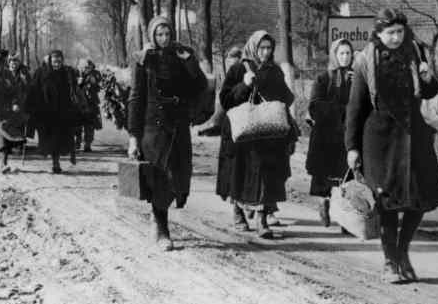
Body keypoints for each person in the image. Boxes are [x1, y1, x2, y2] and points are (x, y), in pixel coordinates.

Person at [344, 9, 438, 283]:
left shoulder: (414, 52)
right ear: (378, 33)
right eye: (390, 32)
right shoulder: (365, 60)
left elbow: (429, 92)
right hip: (379, 139)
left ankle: (402, 253)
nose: (396, 37)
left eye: (400, 31)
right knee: (387, 204)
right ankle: (390, 262)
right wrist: (351, 147)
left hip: (414, 135)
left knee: (419, 200)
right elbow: (356, 106)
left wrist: (427, 78)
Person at [127, 16, 207, 251]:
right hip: (153, 125)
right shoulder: (143, 60)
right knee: (160, 176)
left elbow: (199, 86)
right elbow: (135, 98)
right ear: (152, 36)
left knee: (180, 176)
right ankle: (161, 226)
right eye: (159, 34)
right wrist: (133, 136)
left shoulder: (181, 56)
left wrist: (191, 61)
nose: (164, 39)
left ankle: (159, 211)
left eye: (167, 34)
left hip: (178, 124)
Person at [216, 30, 296, 239]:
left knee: (265, 175)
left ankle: (261, 219)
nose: (265, 52)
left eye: (269, 48)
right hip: (243, 132)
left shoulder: (275, 71)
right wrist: (244, 85)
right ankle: (238, 212)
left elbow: (286, 98)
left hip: (267, 134)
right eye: (262, 48)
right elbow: (225, 100)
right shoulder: (238, 69)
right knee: (240, 174)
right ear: (253, 47)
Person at [306, 39, 354, 229]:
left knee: (348, 177)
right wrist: (344, 110)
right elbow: (315, 105)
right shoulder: (323, 78)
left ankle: (347, 217)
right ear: (335, 55)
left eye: (348, 53)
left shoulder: (356, 77)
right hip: (326, 135)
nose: (345, 57)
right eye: (341, 53)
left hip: (347, 135)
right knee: (325, 176)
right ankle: (324, 204)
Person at [27, 49, 78, 174]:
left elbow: (73, 89)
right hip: (45, 112)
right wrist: (30, 105)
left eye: (59, 61)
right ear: (50, 61)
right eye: (55, 61)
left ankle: (56, 162)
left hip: (61, 111)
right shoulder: (41, 72)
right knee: (47, 137)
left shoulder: (66, 73)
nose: (57, 64)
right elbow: (33, 89)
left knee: (59, 138)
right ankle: (50, 156)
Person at [75, 59, 103, 152]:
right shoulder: (77, 74)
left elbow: (98, 82)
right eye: (84, 66)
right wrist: (78, 82)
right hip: (79, 104)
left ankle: (87, 144)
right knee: (77, 124)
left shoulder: (95, 74)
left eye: (88, 66)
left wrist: (92, 81)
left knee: (90, 125)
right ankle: (77, 142)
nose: (86, 68)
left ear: (92, 67)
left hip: (91, 103)